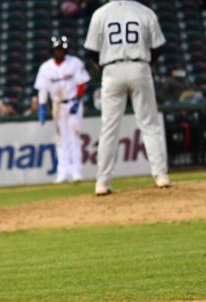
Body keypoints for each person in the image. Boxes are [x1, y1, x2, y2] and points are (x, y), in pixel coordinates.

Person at [84, 0, 169, 195]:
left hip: (112, 69)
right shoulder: (145, 12)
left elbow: (91, 51)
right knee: (149, 124)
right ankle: (160, 175)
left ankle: (102, 183)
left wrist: (107, 64)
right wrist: (145, 63)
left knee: (109, 128)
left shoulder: (101, 13)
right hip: (140, 65)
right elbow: (158, 48)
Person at [34, 36, 90, 183]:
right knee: (61, 139)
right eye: (57, 50)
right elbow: (43, 90)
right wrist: (42, 106)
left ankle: (76, 171)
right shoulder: (46, 67)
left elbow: (82, 84)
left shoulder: (75, 63)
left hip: (73, 103)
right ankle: (63, 172)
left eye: (62, 49)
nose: (60, 52)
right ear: (53, 51)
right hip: (57, 105)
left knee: (74, 137)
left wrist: (78, 101)